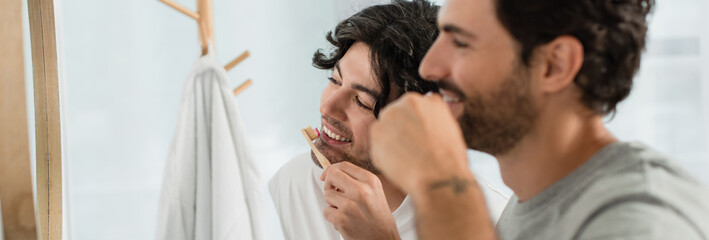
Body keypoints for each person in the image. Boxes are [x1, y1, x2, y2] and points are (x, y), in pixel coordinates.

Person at [370, 0, 709, 239]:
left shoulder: (641, 218)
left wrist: (440, 181)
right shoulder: (532, 202)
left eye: (461, 42)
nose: (430, 67)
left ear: (554, 65)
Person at [268, 1, 509, 239]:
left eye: (362, 101)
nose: (327, 107)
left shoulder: (498, 225)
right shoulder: (293, 184)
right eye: (335, 80)